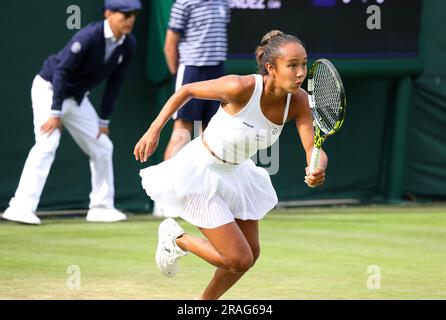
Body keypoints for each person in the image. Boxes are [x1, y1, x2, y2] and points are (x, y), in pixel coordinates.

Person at [134, 30, 328, 299]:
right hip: (201, 170)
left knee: (251, 254)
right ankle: (177, 239)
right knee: (239, 259)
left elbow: (313, 148)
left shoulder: (298, 102)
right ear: (271, 68)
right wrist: (154, 130)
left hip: (237, 172)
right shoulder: (240, 87)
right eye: (292, 65)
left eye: (304, 64)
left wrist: (315, 166)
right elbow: (187, 90)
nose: (300, 73)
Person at [2, 0, 142, 225]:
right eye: (125, 14)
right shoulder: (88, 37)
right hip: (49, 89)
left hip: (76, 97)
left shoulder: (128, 44)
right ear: (108, 14)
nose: (131, 19)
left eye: (134, 14)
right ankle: (20, 207)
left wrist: (103, 120)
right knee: (47, 143)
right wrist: (55, 112)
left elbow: (115, 84)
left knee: (103, 145)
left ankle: (101, 207)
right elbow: (61, 72)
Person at [153, 0, 230, 217]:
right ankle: (164, 199)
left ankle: (207, 198)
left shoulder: (223, 2)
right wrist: (178, 76)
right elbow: (170, 44)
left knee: (212, 135)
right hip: (191, 71)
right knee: (182, 133)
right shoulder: (184, 3)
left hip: (218, 72)